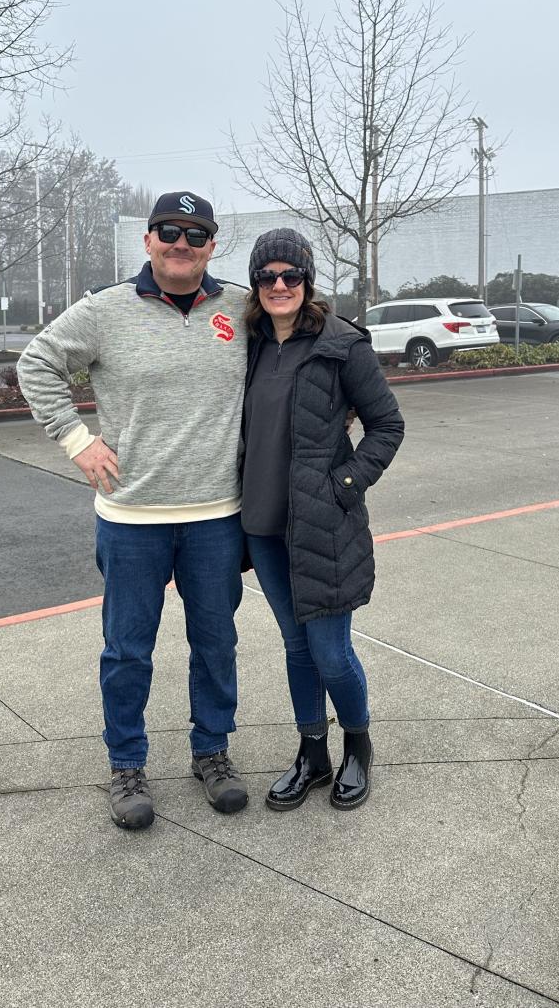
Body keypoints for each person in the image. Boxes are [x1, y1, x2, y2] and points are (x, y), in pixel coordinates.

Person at [17, 191, 249, 831]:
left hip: (216, 517)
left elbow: (301, 344)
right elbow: (37, 363)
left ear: (212, 243)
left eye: (195, 234)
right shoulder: (104, 311)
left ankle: (213, 753)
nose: (182, 243)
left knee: (216, 642)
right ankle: (126, 766)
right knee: (127, 650)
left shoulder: (239, 310)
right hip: (132, 518)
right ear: (148, 240)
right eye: (168, 231)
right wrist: (77, 440)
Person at [241, 229, 404, 811]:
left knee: (331, 652)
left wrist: (346, 484)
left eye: (290, 275)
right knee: (295, 646)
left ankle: (357, 747)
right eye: (267, 277)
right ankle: (313, 752)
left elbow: (388, 425)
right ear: (256, 285)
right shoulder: (251, 345)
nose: (278, 286)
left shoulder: (342, 344)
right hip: (262, 527)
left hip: (323, 525)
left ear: (307, 281)